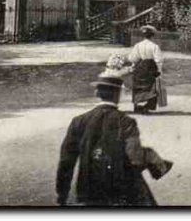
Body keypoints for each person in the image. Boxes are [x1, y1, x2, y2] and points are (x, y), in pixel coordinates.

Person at [56, 74, 173, 206]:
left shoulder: (78, 121)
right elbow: (136, 158)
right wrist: (151, 156)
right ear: (118, 94)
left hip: (88, 189)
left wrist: (62, 194)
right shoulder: (126, 122)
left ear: (96, 93)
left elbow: (66, 160)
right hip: (120, 191)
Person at [128, 25, 164, 114]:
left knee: (138, 86)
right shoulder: (154, 46)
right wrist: (159, 71)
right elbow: (158, 60)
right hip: (150, 67)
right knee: (151, 87)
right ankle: (147, 106)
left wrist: (134, 65)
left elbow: (132, 58)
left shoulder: (138, 45)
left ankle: (137, 105)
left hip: (140, 67)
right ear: (152, 35)